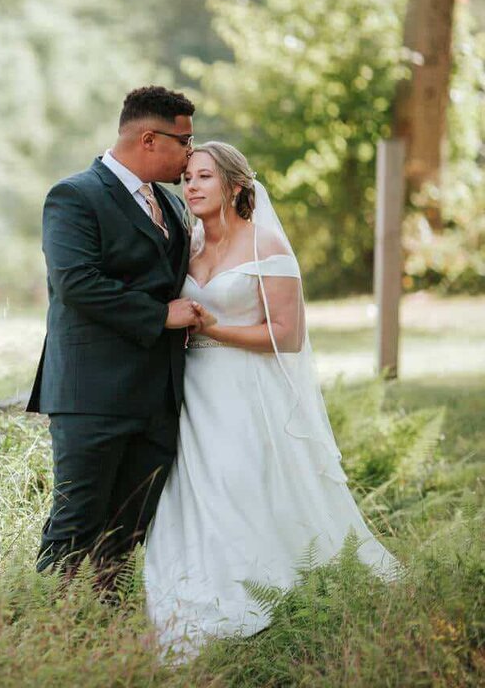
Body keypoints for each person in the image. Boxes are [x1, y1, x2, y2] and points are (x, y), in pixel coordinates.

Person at [143, 141, 399, 660]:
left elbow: (289, 335)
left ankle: (264, 586)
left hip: (244, 388)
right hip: (192, 391)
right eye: (187, 177)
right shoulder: (185, 248)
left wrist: (217, 329)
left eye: (204, 177)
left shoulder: (268, 249)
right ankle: (197, 587)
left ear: (235, 186)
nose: (191, 186)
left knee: (238, 482)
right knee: (193, 488)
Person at [27, 86, 202, 595]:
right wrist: (159, 315)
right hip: (93, 396)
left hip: (158, 397)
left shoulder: (170, 205)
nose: (192, 153)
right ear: (150, 138)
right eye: (185, 141)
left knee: (128, 532)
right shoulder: (74, 196)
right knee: (75, 524)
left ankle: (106, 632)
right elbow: (76, 282)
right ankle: (39, 632)